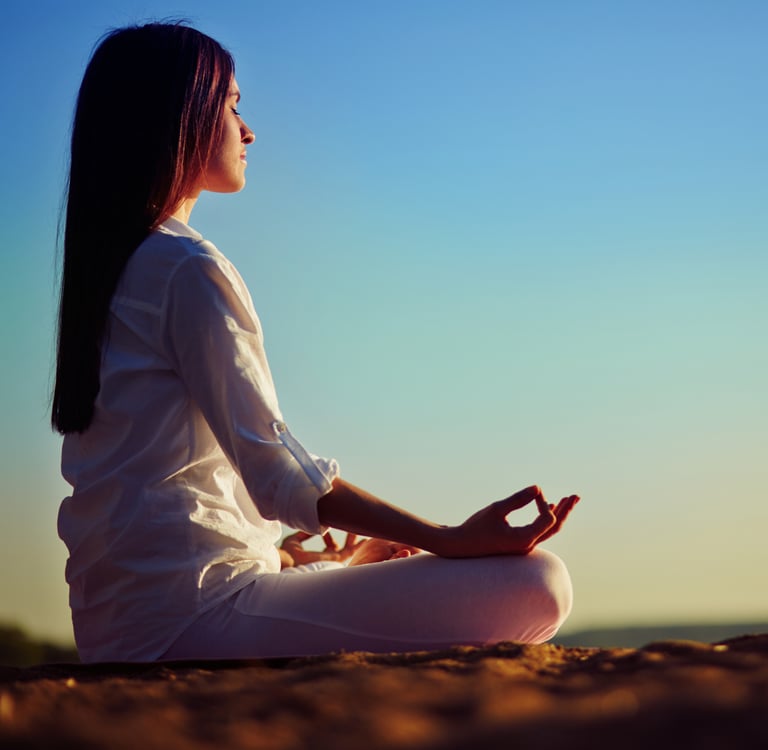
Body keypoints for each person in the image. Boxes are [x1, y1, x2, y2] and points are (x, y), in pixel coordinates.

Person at [52, 22, 580, 663]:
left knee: (349, 566)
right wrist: (448, 537)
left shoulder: (113, 271)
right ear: (180, 115)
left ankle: (328, 567)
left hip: (130, 621)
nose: (247, 130)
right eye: (232, 105)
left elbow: (169, 489)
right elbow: (274, 470)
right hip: (192, 620)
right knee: (539, 583)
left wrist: (303, 555)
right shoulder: (186, 267)